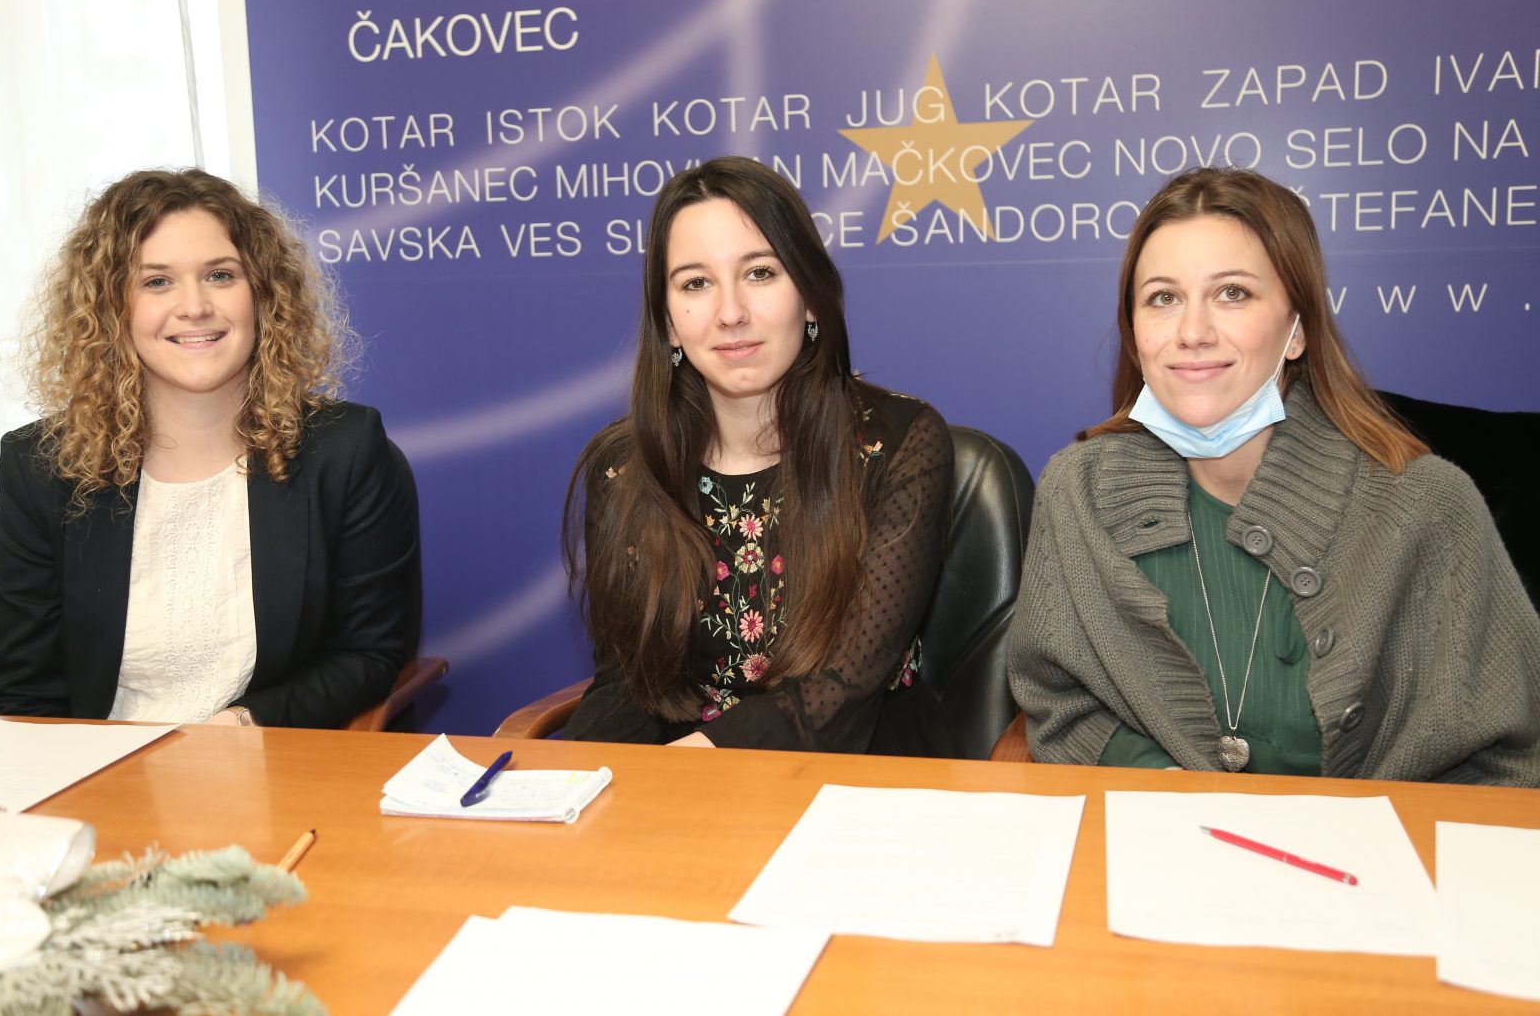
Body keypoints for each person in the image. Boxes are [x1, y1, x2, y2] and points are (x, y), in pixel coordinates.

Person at [1007, 166, 1540, 784]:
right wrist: (1177, 795)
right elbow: (1062, 705)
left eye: (1233, 293)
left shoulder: (1428, 506)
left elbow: (1508, 760)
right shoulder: (1079, 491)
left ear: (1297, 330)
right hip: (1153, 831)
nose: (1192, 333)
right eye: (1163, 298)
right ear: (1135, 333)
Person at [0, 169, 419, 728]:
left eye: (220, 275)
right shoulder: (41, 466)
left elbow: (368, 653)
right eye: (156, 281)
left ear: (263, 294)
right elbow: (24, 691)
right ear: (110, 308)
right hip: (99, 769)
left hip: (267, 758)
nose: (194, 306)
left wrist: (240, 726)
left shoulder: (345, 450)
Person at [562, 157, 956, 755]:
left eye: (760, 273)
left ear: (811, 298)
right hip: (680, 782)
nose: (730, 313)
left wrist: (691, 764)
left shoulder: (898, 444)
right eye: (696, 283)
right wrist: (575, 781)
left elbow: (844, 687)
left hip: (861, 775)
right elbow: (626, 685)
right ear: (668, 322)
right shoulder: (624, 468)